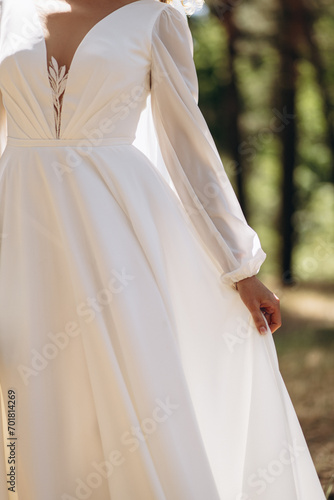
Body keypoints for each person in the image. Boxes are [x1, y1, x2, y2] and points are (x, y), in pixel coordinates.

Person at [0, 0, 326, 498]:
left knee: (122, 382)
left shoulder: (156, 18)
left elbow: (188, 148)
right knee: (24, 378)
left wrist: (240, 265)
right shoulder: (9, 13)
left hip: (113, 230)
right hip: (18, 219)